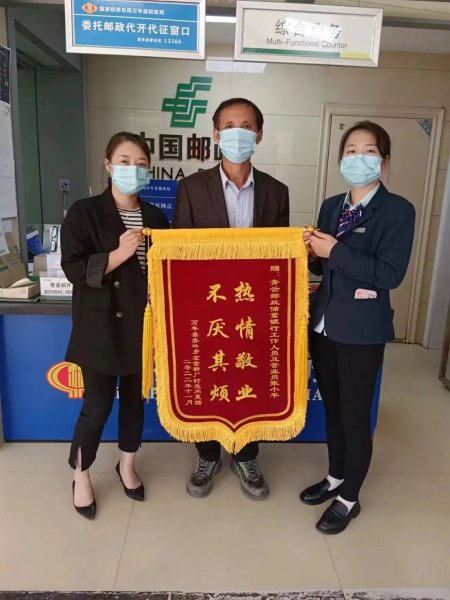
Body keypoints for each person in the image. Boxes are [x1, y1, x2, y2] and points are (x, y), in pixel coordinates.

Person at [301, 121, 415, 534]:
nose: (358, 158)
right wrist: (311, 254)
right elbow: (323, 268)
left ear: (383, 161)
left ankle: (350, 497)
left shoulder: (398, 210)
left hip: (362, 330)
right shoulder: (332, 206)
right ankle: (335, 477)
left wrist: (335, 250)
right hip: (324, 324)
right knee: (332, 408)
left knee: (354, 415)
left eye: (369, 151)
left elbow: (389, 274)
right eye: (351, 150)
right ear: (340, 158)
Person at [173, 97, 289, 500]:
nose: (238, 132)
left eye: (247, 125)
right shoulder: (191, 188)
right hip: (206, 310)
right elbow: (179, 255)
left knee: (248, 377)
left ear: (259, 134)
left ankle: (245, 455)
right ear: (216, 134)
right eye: (229, 125)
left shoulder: (276, 192)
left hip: (253, 309)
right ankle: (207, 455)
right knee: (208, 378)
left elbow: (279, 259)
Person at [61, 132, 169, 519]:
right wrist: (118, 254)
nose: (133, 169)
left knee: (135, 404)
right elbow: (73, 268)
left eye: (141, 164)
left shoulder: (156, 217)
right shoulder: (84, 212)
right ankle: (81, 473)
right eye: (124, 162)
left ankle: (127, 464)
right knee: (96, 407)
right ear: (108, 165)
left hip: (143, 328)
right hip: (101, 327)